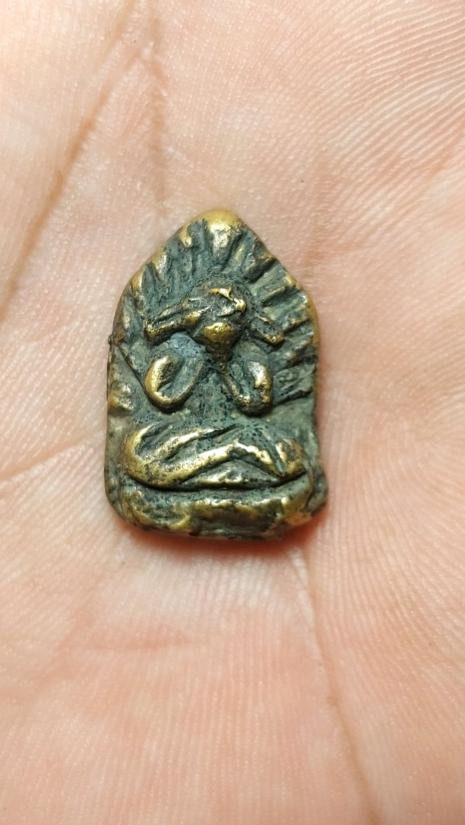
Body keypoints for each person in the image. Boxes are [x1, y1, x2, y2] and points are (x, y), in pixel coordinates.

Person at [1, 2, 464, 823]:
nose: (219, 325)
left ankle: (223, 477)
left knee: (277, 457)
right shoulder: (179, 348)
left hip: (245, 449)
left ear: (241, 317)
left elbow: (264, 405)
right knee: (147, 453)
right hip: (179, 445)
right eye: (209, 316)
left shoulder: (248, 351)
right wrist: (191, 359)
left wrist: (236, 367)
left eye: (228, 317)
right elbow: (159, 399)